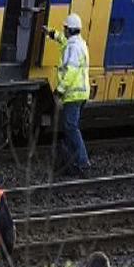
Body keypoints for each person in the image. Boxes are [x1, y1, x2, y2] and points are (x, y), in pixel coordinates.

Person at [42, 13, 91, 177]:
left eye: (64, 29)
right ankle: (73, 162)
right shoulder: (78, 43)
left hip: (73, 94)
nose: (63, 31)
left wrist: (59, 91)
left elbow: (70, 72)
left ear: (69, 30)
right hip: (80, 93)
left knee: (71, 127)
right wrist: (51, 34)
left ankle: (83, 162)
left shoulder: (73, 48)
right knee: (70, 127)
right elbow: (63, 40)